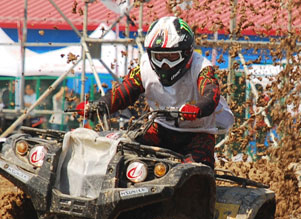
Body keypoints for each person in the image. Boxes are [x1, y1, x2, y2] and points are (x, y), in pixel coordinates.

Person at [77, 16, 231, 168]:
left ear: (186, 53)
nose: (164, 64)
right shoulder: (144, 66)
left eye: (171, 56)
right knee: (124, 153)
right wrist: (99, 105)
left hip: (198, 134)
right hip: (159, 129)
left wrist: (197, 108)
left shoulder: (202, 67)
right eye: (158, 57)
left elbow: (211, 94)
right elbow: (124, 91)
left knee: (193, 172)